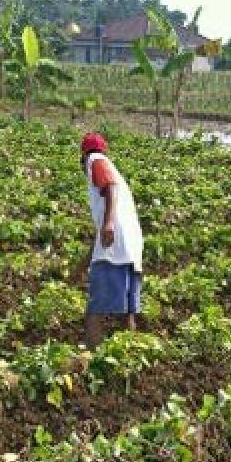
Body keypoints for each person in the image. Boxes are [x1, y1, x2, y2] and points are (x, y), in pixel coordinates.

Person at [79, 132, 144, 348]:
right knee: (127, 313)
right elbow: (100, 240)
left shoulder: (95, 160)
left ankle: (90, 359)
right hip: (130, 249)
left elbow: (110, 188)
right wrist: (79, 269)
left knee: (94, 311)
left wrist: (107, 223)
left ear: (84, 154)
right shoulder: (115, 182)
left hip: (114, 251)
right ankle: (128, 358)